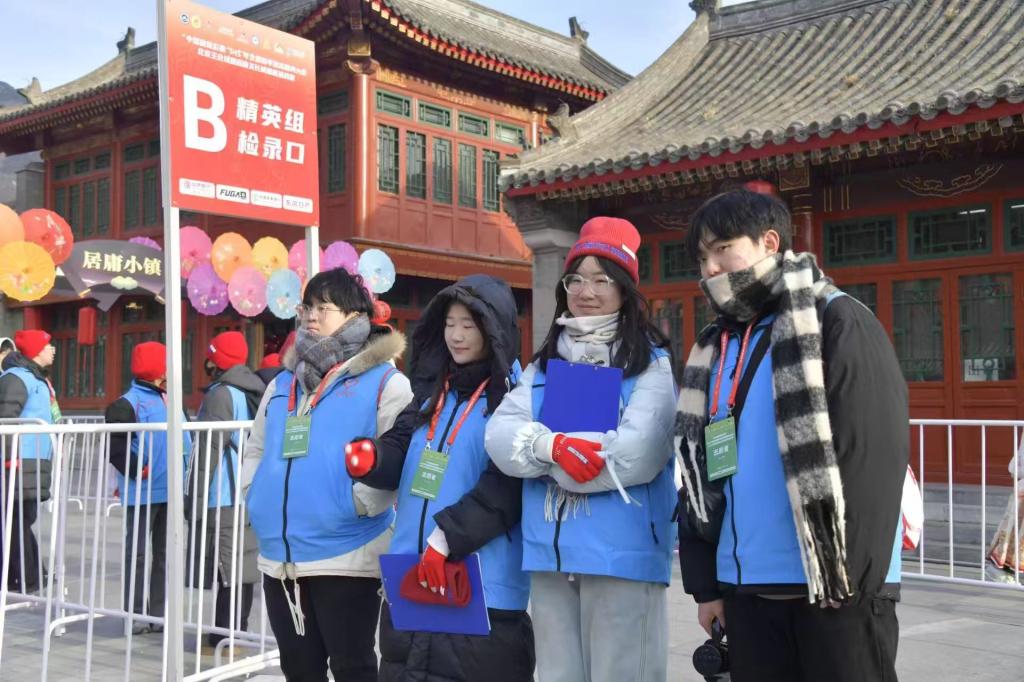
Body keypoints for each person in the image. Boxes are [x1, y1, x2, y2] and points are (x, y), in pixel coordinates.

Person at [674, 189, 907, 682]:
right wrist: (706, 586)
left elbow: (870, 455)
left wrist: (850, 579)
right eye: (702, 256)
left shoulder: (834, 318)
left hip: (832, 590)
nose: (711, 267)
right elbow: (699, 476)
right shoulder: (715, 346)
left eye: (723, 248)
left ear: (769, 242)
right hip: (747, 590)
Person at [486, 217, 678, 682]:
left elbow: (638, 453)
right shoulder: (544, 365)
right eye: (576, 279)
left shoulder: (650, 364)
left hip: (621, 555)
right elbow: (499, 434)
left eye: (601, 280)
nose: (586, 292)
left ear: (625, 289)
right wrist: (551, 447)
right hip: (549, 554)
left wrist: (546, 462)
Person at [346, 274, 535, 681]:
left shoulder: (515, 400)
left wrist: (446, 538)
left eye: (469, 325)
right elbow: (399, 447)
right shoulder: (431, 394)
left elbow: (505, 488)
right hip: (413, 578)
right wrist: (372, 458)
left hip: (480, 588)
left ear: (493, 331)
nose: (457, 336)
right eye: (449, 324)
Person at [241, 268, 412, 682]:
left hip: (346, 553)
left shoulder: (386, 382)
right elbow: (257, 447)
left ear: (354, 315)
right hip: (281, 556)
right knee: (298, 669)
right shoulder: (283, 383)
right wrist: (254, 493)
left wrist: (358, 504)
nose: (312, 316)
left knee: (352, 666)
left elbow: (399, 457)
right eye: (307, 307)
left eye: (324, 307)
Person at [104, 341, 192, 634]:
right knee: (138, 554)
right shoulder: (126, 404)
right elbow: (116, 449)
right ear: (157, 368)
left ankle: (159, 613)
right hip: (141, 492)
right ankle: (135, 614)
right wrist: (137, 469)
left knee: (166, 554)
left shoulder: (171, 399)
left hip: (171, 490)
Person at [188, 330, 265, 651]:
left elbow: (207, 453)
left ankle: (225, 636)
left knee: (227, 568)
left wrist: (193, 501)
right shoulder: (254, 390)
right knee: (242, 566)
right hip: (248, 492)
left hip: (223, 494)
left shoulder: (221, 395)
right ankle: (236, 631)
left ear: (215, 360)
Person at [0, 329, 59, 593]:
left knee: (22, 519)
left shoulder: (37, 378)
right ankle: (25, 577)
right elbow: (5, 419)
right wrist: (8, 457)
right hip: (18, 461)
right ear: (35, 350)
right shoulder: (16, 378)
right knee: (16, 520)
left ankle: (29, 575)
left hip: (35, 460)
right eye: (48, 346)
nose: (52, 350)